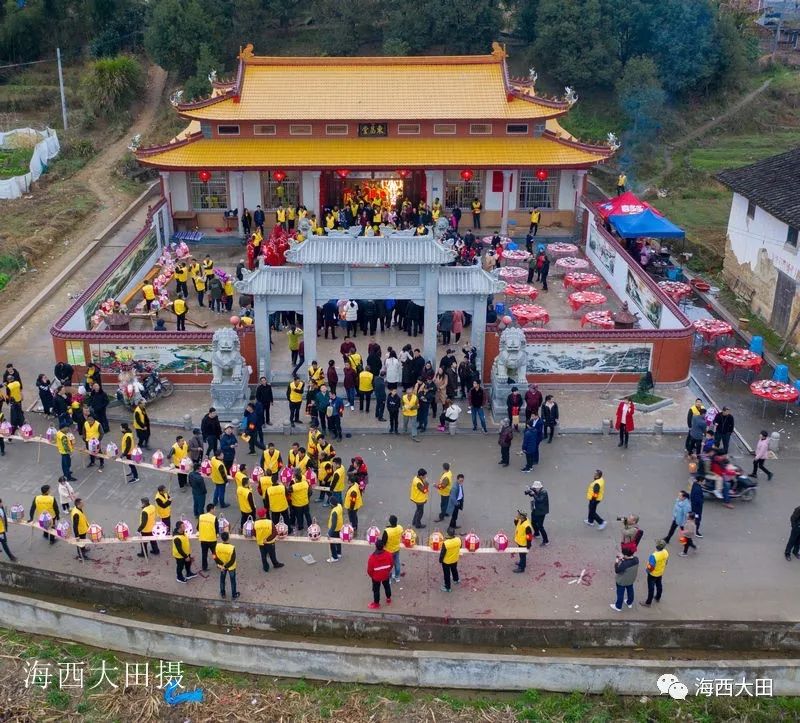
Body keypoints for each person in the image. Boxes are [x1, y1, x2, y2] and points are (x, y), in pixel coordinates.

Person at [366, 539, 394, 609]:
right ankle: (388, 598)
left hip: (376, 577)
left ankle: (376, 603)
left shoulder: (372, 558)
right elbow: (391, 564)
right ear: (383, 546)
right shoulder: (389, 555)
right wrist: (387, 571)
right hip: (386, 575)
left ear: (376, 547)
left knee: (376, 590)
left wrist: (372, 576)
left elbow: (369, 570)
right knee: (387, 586)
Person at [640, 540, 668, 607]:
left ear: (656, 546)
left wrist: (648, 571)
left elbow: (651, 566)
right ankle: (658, 597)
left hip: (653, 574)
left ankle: (648, 602)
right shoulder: (665, 552)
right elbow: (666, 562)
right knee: (659, 585)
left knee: (651, 588)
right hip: (660, 572)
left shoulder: (654, 556)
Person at [214, 532, 239, 599]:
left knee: (222, 579)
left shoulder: (217, 546)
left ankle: (223, 593)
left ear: (221, 538)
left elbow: (214, 556)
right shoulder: (232, 548)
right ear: (228, 538)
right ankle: (234, 595)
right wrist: (225, 566)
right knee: (232, 581)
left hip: (222, 567)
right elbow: (232, 560)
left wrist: (220, 564)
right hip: (231, 567)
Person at [382, 514, 404, 582]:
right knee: (397, 563)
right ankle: (397, 577)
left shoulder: (387, 531)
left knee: (389, 565)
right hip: (397, 549)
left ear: (390, 522)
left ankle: (389, 579)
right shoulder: (400, 528)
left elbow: (383, 542)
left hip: (388, 551)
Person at [528, 480, 549, 546]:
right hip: (535, 509)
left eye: (535, 488)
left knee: (540, 526)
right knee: (533, 522)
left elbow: (539, 500)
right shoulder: (537, 490)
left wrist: (533, 494)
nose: (535, 489)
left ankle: (546, 541)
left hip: (541, 511)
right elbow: (533, 495)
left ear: (539, 487)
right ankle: (537, 533)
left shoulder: (544, 492)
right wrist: (529, 492)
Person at [440, 527, 461, 592]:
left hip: (446, 561)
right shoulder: (458, 540)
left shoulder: (446, 543)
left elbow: (442, 554)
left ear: (447, 534)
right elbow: (460, 547)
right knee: (454, 569)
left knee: (447, 574)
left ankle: (447, 587)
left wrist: (440, 560)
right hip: (455, 559)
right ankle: (456, 579)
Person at [198, 503, 219, 571]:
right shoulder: (214, 518)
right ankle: (218, 563)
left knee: (204, 554)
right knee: (214, 553)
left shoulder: (201, 517)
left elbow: (198, 527)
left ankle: (204, 567)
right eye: (214, 509)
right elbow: (217, 529)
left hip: (203, 539)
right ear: (211, 509)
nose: (215, 510)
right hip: (212, 539)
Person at [70, 497, 90, 561]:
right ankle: (81, 556)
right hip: (80, 531)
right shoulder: (76, 513)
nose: (83, 503)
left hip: (83, 529)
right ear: (79, 504)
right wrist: (77, 536)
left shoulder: (78, 508)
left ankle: (83, 549)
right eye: (82, 502)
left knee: (83, 541)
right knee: (79, 543)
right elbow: (75, 526)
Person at [327, 498, 344, 563]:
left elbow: (333, 524)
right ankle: (339, 553)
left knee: (332, 542)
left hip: (334, 529)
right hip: (340, 526)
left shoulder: (334, 512)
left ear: (332, 504)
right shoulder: (339, 505)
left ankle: (334, 557)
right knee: (338, 540)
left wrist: (329, 533)